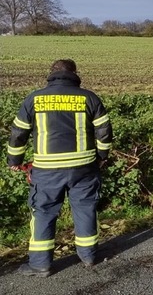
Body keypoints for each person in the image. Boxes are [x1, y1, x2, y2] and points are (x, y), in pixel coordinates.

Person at [6, 59, 113, 277]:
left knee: (44, 212)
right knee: (85, 209)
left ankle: (40, 264)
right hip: (84, 167)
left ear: (51, 74)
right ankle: (89, 256)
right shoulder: (88, 97)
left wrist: (14, 161)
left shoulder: (34, 99)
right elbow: (104, 131)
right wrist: (102, 156)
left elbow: (18, 134)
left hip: (47, 171)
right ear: (75, 73)